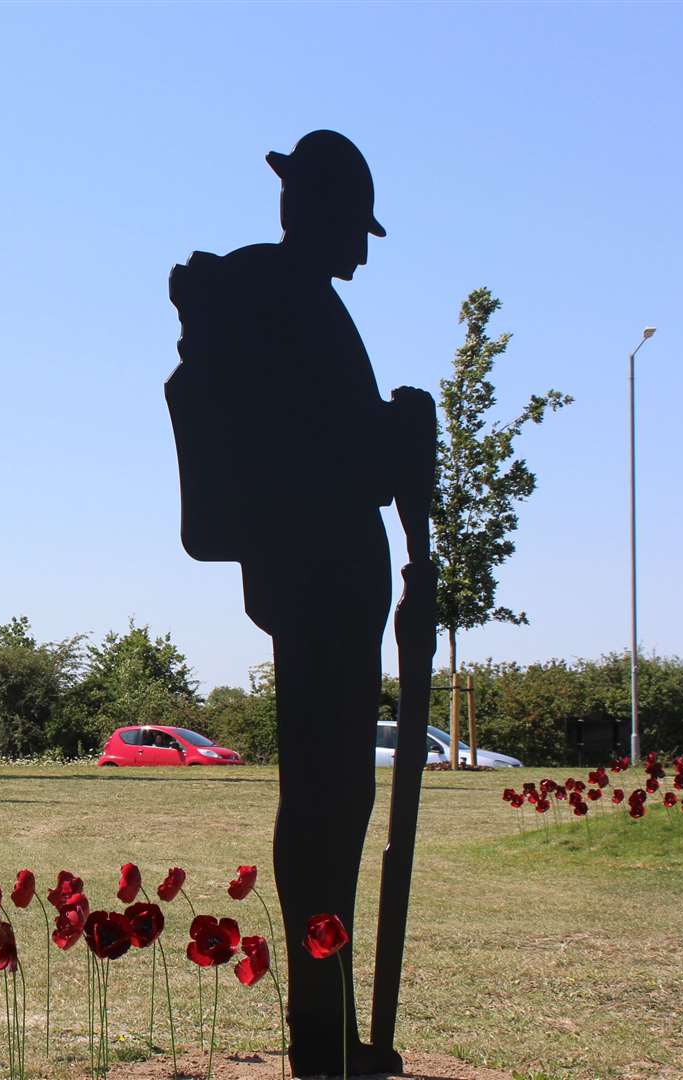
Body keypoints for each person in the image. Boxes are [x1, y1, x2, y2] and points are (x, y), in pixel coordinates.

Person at [167, 130, 426, 1076]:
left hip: (320, 577)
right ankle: (321, 1034)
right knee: (327, 804)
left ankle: (326, 1026)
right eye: (355, 228)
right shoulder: (285, 307)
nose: (361, 251)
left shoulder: (283, 298)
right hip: (323, 575)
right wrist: (399, 438)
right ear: (316, 212)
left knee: (330, 802)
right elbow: (321, 457)